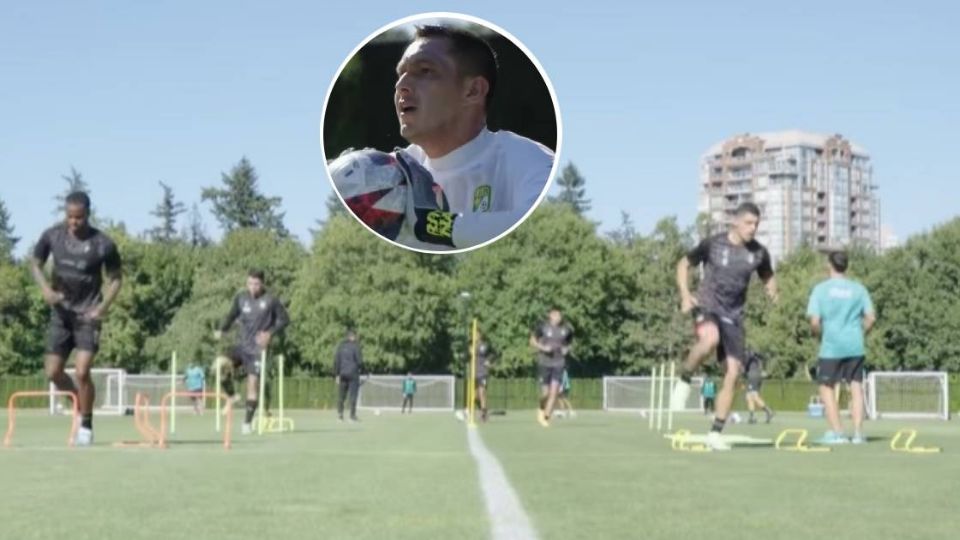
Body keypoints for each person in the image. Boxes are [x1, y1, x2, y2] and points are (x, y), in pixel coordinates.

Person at [393, 24, 555, 250]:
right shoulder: (386, 174)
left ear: (474, 91)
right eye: (401, 74)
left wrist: (432, 225)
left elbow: (544, 228)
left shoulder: (532, 160)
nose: (401, 86)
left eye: (425, 71)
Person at [671, 202, 778, 450]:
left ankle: (716, 433)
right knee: (709, 340)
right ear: (736, 222)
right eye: (749, 223)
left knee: (733, 372)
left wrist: (773, 289)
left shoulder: (759, 253)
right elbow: (683, 264)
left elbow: (768, 275)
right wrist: (686, 296)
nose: (753, 228)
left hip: (734, 317)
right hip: (708, 306)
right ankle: (685, 378)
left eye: (757, 224)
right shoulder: (713, 243)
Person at [30, 191, 123, 446]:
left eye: (79, 217)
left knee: (82, 371)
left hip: (87, 315)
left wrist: (103, 306)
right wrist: (45, 290)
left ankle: (87, 423)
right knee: (53, 372)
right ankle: (79, 404)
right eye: (70, 217)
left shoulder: (103, 243)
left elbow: (116, 279)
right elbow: (35, 264)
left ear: (88, 214)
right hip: (61, 314)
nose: (73, 222)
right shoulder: (52, 236)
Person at [806, 251, 875, 444]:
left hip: (831, 346)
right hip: (855, 344)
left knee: (826, 387)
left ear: (829, 265)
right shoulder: (859, 289)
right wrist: (862, 333)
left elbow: (814, 321)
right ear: (846, 266)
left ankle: (838, 432)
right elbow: (870, 318)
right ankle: (858, 434)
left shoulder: (820, 290)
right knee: (856, 387)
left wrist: (819, 333)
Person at [214, 269, 289, 435]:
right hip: (241, 346)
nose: (252, 287)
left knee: (252, 383)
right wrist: (222, 330)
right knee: (219, 365)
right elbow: (231, 315)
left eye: (256, 284)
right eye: (249, 283)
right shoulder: (241, 298)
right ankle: (232, 396)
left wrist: (270, 333)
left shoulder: (271, 300)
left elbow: (284, 320)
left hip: (257, 350)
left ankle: (247, 422)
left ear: (262, 283)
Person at [530, 308, 573, 428]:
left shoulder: (566, 329)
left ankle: (546, 416)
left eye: (559, 315)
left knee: (554, 393)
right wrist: (542, 348)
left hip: (559, 363)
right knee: (545, 394)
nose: (557, 317)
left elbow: (569, 344)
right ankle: (541, 407)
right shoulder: (542, 328)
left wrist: (566, 349)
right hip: (544, 363)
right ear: (550, 316)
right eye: (554, 315)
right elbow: (532, 341)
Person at [334, 330, 364, 422]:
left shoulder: (340, 347)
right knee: (353, 395)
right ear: (352, 337)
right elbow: (359, 361)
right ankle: (352, 415)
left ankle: (340, 415)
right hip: (353, 373)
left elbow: (336, 361)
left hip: (343, 373)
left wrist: (336, 374)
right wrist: (362, 370)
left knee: (341, 395)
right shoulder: (356, 346)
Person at [743, 351, 774, 424]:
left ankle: (769, 411)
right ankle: (752, 417)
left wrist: (753, 354)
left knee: (753, 396)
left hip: (753, 376)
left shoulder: (750, 357)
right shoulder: (750, 357)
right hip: (752, 376)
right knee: (749, 396)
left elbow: (761, 357)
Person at [474, 335, 494, 422]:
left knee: (482, 393)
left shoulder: (484, 345)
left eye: (476, 334)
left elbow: (493, 353)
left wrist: (489, 361)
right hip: (474, 373)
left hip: (483, 372)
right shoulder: (471, 345)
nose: (475, 336)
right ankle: (483, 409)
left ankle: (484, 414)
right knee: (475, 396)